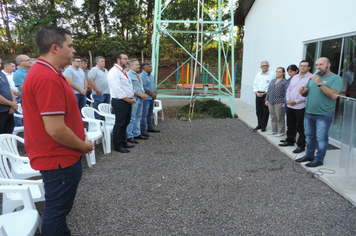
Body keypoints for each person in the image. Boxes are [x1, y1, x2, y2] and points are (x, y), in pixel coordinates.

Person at [22, 26, 94, 235]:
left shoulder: (48, 73)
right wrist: (83, 146)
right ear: (55, 48)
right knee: (56, 210)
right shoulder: (47, 77)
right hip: (58, 158)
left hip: (57, 156)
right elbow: (55, 129)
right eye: (70, 46)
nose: (73, 51)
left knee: (59, 210)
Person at [296, 57, 343, 167]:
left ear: (328, 65)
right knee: (309, 135)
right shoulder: (313, 77)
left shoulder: (336, 78)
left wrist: (319, 82)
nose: (318, 67)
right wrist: (303, 92)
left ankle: (319, 159)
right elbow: (306, 93)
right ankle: (309, 155)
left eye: (321, 64)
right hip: (309, 113)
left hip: (323, 115)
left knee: (321, 138)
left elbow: (334, 95)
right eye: (317, 65)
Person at [279, 60, 312, 154]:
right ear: (299, 67)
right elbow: (289, 89)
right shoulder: (295, 77)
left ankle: (301, 145)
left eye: (305, 66)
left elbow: (309, 93)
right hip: (290, 105)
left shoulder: (311, 78)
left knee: (300, 127)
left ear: (309, 68)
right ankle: (290, 141)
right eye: (301, 65)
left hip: (301, 106)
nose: (303, 67)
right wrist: (288, 100)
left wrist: (296, 101)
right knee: (290, 124)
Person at [107, 52, 136, 153]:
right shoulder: (114, 72)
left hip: (127, 100)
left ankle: (123, 142)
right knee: (120, 123)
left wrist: (131, 97)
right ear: (118, 60)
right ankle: (118, 145)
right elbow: (117, 89)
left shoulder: (122, 71)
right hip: (120, 101)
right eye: (125, 59)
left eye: (127, 58)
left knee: (126, 122)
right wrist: (128, 99)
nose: (127, 60)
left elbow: (127, 86)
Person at [126, 59, 148, 144]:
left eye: (139, 64)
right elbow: (130, 89)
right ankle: (129, 136)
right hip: (134, 99)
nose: (139, 66)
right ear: (131, 66)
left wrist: (143, 94)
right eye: (137, 65)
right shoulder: (129, 75)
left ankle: (137, 133)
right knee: (131, 118)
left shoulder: (137, 74)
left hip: (140, 98)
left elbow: (140, 86)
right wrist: (140, 95)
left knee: (138, 117)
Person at [252, 61, 275, 132]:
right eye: (263, 66)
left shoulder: (272, 74)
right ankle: (259, 124)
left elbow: (272, 85)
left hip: (266, 95)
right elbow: (254, 84)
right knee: (258, 110)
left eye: (266, 65)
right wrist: (256, 92)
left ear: (268, 66)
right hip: (258, 94)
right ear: (260, 67)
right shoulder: (258, 74)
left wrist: (265, 93)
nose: (264, 67)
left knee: (265, 111)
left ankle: (264, 126)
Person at [265, 67, 287, 136]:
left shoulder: (285, 82)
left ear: (283, 73)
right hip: (271, 101)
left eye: (279, 72)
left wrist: (284, 102)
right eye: (277, 71)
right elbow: (268, 91)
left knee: (280, 117)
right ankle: (274, 130)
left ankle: (281, 131)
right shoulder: (273, 81)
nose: (277, 73)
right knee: (273, 117)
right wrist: (266, 99)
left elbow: (286, 92)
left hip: (279, 102)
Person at [140, 62, 160, 136]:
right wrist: (152, 95)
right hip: (146, 99)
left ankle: (150, 127)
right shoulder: (142, 76)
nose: (151, 68)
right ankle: (143, 130)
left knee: (150, 113)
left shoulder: (151, 76)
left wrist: (155, 93)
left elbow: (154, 85)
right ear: (145, 68)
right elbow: (145, 88)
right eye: (150, 67)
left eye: (151, 66)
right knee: (144, 114)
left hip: (152, 98)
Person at [2, 61, 21, 127]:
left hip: (15, 99)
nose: (14, 68)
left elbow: (9, 87)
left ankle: (18, 127)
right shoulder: (3, 74)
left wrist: (14, 102)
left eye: (14, 66)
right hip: (6, 104)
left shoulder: (13, 74)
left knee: (18, 115)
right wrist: (12, 103)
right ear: (6, 66)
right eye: (12, 66)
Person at [0, 58, 17, 134]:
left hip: (8, 110)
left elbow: (8, 88)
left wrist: (14, 103)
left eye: (1, 63)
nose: (0, 65)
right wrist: (12, 104)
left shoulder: (1, 74)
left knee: (7, 133)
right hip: (1, 111)